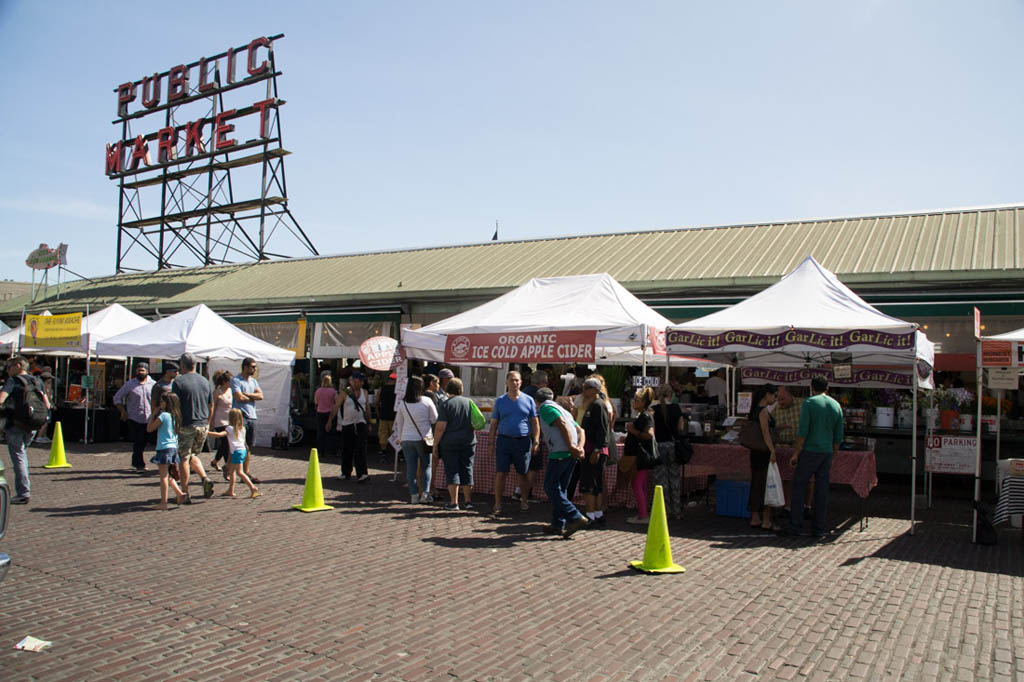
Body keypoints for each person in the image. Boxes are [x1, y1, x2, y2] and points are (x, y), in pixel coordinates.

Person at [783, 376, 844, 539]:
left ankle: (795, 526)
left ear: (811, 387)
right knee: (821, 491)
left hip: (810, 451)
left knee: (799, 487)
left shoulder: (809, 403)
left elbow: (803, 431)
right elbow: (839, 436)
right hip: (826, 452)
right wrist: (834, 454)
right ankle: (819, 528)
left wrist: (796, 453)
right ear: (827, 388)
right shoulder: (836, 405)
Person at [535, 387, 588, 538]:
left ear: (536, 401)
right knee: (561, 489)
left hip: (560, 452)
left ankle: (575, 516)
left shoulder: (545, 408)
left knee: (551, 487)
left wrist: (572, 446)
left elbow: (562, 425)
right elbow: (581, 431)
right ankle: (558, 524)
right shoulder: (562, 409)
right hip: (570, 453)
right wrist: (579, 448)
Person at [0, 356, 51, 504]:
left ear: (18, 366)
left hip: (16, 425)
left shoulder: (13, 381)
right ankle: (23, 491)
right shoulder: (37, 381)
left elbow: (1, 399)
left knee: (19, 458)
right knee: (22, 456)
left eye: (9, 367)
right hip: (33, 424)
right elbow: (47, 404)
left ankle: (23, 493)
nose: (7, 371)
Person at [488, 370, 539, 515]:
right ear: (506, 382)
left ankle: (524, 501)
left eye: (517, 380)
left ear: (521, 382)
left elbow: (535, 423)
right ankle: (498, 503)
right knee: (501, 473)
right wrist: (491, 443)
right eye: (512, 380)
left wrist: (535, 441)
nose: (514, 383)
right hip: (504, 441)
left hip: (523, 441)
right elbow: (493, 425)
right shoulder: (500, 401)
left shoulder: (529, 400)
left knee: (523, 473)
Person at [170, 353, 215, 500]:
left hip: (187, 424)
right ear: (195, 365)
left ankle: (184, 493)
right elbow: (211, 405)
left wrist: (174, 424)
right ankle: (204, 478)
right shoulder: (205, 381)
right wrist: (207, 422)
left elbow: (174, 406)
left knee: (184, 457)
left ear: (182, 366)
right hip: (202, 424)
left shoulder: (178, 382)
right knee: (193, 455)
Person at [394, 375, 438, 503]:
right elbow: (435, 418)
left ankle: (413, 495)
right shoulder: (426, 401)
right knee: (426, 467)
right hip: (423, 438)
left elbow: (399, 423)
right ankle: (425, 494)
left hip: (407, 438)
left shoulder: (403, 403)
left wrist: (401, 438)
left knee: (411, 469)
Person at [433, 378, 476, 510]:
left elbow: (440, 427)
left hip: (450, 442)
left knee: (452, 470)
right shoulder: (469, 402)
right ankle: (468, 501)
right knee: (467, 468)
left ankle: (454, 502)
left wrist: (435, 444)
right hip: (469, 441)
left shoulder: (445, 405)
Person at [327, 370, 370, 482]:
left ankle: (362, 473)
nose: (356, 384)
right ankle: (346, 472)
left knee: (361, 449)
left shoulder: (364, 392)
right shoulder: (345, 392)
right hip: (348, 424)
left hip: (360, 423)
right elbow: (336, 406)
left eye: (358, 382)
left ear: (362, 382)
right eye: (354, 381)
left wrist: (369, 422)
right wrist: (330, 420)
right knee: (347, 449)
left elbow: (367, 408)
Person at [145, 392, 187, 509]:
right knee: (167, 474)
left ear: (167, 403)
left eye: (162, 402)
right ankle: (179, 493)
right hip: (173, 447)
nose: (160, 404)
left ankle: (163, 502)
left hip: (164, 447)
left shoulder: (163, 416)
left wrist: (153, 414)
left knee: (163, 476)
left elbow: (149, 428)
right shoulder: (176, 416)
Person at [577, 377, 610, 527]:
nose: (584, 390)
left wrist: (597, 450)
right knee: (593, 483)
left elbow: (603, 429)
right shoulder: (593, 405)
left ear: (596, 390)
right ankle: (596, 514)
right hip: (591, 448)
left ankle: (592, 514)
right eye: (584, 387)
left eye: (587, 387)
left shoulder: (598, 405)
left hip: (593, 449)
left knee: (590, 483)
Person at [207, 408, 261, 499]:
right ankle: (230, 490)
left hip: (236, 452)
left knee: (240, 472)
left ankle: (252, 488)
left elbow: (219, 435)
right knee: (232, 471)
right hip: (242, 451)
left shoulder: (229, 428)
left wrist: (207, 432)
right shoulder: (243, 428)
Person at [113, 361, 155, 473]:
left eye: (142, 370)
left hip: (150, 418)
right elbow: (117, 398)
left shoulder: (153, 384)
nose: (140, 372)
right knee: (138, 441)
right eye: (138, 370)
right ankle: (139, 464)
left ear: (147, 371)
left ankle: (135, 461)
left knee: (145, 441)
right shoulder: (130, 384)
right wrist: (123, 411)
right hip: (134, 417)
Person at [652, 383, 686, 520]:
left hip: (658, 446)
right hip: (673, 445)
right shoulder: (676, 408)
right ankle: (676, 510)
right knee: (674, 478)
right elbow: (681, 427)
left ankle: (663, 510)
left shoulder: (654, 409)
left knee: (661, 480)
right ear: (671, 394)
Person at [623, 386, 656, 524]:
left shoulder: (645, 416)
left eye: (636, 400)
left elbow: (649, 435)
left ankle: (643, 515)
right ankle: (642, 513)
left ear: (643, 402)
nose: (633, 402)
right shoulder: (644, 415)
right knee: (639, 485)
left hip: (640, 457)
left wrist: (632, 430)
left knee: (637, 485)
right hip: (639, 456)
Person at [747, 384, 778, 530]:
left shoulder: (754, 410)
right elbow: (765, 432)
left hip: (755, 451)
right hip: (764, 452)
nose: (775, 398)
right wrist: (772, 450)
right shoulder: (763, 411)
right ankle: (766, 520)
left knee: (756, 483)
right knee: (767, 485)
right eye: (774, 395)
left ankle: (755, 517)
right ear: (767, 395)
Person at [231, 357, 263, 484]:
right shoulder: (235, 380)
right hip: (240, 416)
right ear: (245, 367)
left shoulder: (253, 382)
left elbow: (261, 396)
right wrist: (251, 396)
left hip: (252, 416)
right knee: (239, 445)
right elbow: (239, 397)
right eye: (252, 367)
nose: (254, 369)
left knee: (248, 446)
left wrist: (247, 394)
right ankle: (235, 470)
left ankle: (245, 471)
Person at [208, 370, 234, 473]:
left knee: (224, 443)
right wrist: (211, 422)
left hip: (229, 420)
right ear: (224, 381)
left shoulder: (231, 391)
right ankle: (227, 467)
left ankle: (215, 461)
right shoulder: (217, 392)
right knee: (225, 443)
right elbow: (212, 408)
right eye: (229, 381)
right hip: (220, 421)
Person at [314, 372, 338, 460]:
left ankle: (321, 450)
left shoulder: (318, 391)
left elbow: (316, 402)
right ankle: (331, 450)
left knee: (321, 432)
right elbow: (336, 402)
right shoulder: (333, 391)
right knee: (331, 432)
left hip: (320, 412)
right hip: (330, 413)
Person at [374, 372, 398, 460]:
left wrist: (378, 412)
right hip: (394, 415)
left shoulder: (382, 388)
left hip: (383, 414)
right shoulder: (398, 390)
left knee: (383, 434)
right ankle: (397, 452)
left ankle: (383, 452)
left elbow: (376, 402)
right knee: (395, 434)